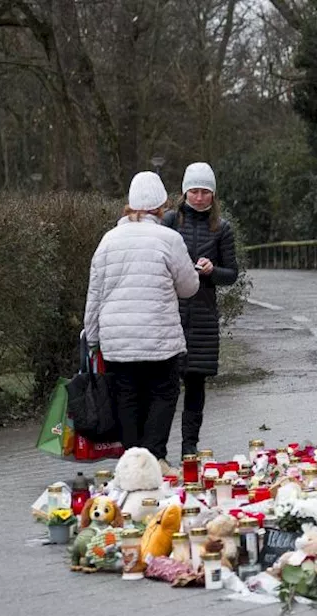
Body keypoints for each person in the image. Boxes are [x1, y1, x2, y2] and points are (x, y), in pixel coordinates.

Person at [84, 172, 199, 471]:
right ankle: (155, 456)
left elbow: (94, 294)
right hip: (159, 337)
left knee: (126, 395)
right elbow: (189, 287)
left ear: (129, 204)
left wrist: (93, 338)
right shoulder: (169, 239)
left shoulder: (108, 240)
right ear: (162, 205)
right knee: (164, 392)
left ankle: (132, 460)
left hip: (117, 339)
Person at [164, 162, 238, 457]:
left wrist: (212, 270)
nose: (198, 197)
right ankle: (157, 448)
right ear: (184, 193)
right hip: (171, 313)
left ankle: (189, 447)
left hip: (204, 315)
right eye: (193, 191)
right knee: (166, 385)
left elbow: (231, 274)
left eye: (204, 192)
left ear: (213, 195)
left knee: (195, 385)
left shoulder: (222, 228)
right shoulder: (170, 221)